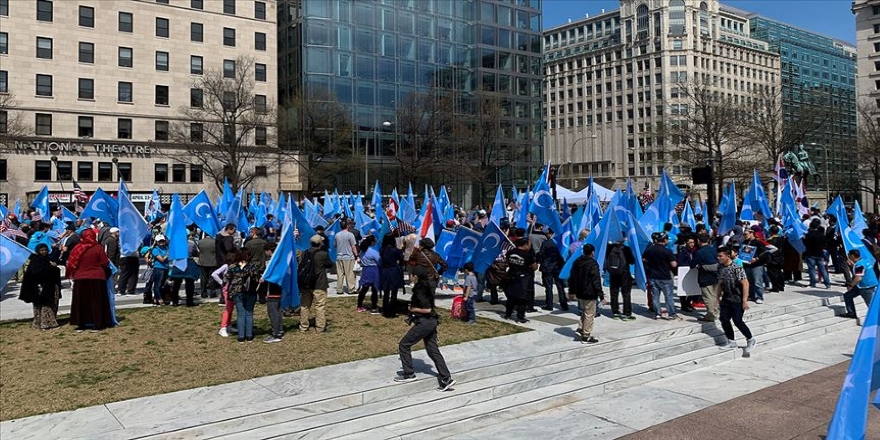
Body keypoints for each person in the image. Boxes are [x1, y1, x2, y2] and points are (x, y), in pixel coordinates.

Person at [393, 263, 456, 392]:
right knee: (433, 350)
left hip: (425, 322)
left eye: (410, 274)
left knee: (404, 345)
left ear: (415, 276)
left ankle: (409, 374)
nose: (409, 276)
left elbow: (427, 309)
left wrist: (412, 309)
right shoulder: (426, 285)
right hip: (432, 321)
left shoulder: (420, 289)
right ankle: (446, 378)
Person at [66, 229, 113, 331]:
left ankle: (81, 323)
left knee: (81, 302)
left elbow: (71, 263)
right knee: (96, 301)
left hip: (80, 278)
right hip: (96, 277)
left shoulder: (77, 248)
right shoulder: (98, 248)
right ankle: (98, 323)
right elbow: (104, 262)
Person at [716, 247, 757, 355]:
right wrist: (717, 297)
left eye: (720, 256)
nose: (718, 258)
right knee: (724, 318)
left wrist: (744, 300)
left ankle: (750, 339)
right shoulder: (720, 267)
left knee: (737, 320)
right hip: (726, 297)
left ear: (727, 256)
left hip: (737, 297)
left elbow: (745, 284)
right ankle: (731, 341)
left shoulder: (737, 268)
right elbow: (720, 284)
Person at [19, 243, 62, 330]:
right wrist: (52, 268)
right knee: (44, 306)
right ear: (38, 251)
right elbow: (37, 273)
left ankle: (43, 323)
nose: (44, 252)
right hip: (41, 287)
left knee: (50, 304)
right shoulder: (36, 260)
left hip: (50, 286)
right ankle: (47, 324)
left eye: (45, 250)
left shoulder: (47, 259)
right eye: (42, 250)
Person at [568, 243, 605, 343]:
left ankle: (581, 328)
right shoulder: (593, 264)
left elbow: (572, 277)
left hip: (580, 291)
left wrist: (571, 291)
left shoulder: (577, 261)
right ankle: (586, 335)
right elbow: (596, 281)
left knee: (585, 310)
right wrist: (601, 296)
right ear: (592, 252)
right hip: (589, 292)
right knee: (590, 314)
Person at [224, 250, 261, 343]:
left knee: (240, 314)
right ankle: (249, 336)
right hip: (250, 291)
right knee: (249, 313)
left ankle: (241, 337)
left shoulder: (233, 267)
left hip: (237, 292)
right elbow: (257, 279)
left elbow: (226, 278)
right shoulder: (253, 266)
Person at [643, 232, 681, 320]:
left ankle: (657, 313)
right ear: (665, 240)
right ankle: (671, 314)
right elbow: (674, 264)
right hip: (665, 277)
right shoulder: (667, 251)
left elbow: (644, 259)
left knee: (655, 296)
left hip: (653, 276)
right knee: (668, 296)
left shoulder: (650, 249)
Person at [301, 235, 334, 332]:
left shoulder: (305, 253)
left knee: (305, 306)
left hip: (306, 283)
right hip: (319, 284)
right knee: (319, 306)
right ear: (320, 243)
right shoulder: (323, 254)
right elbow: (330, 264)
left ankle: (303, 326)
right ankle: (320, 327)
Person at [503, 238, 534, 323]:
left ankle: (508, 314)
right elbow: (534, 267)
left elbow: (507, 262)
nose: (530, 247)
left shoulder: (510, 252)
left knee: (511, 297)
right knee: (522, 298)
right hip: (522, 278)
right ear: (525, 245)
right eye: (529, 245)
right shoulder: (528, 255)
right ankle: (520, 316)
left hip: (511, 275)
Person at [604, 236, 635, 320]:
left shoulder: (609, 248)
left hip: (613, 273)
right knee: (626, 293)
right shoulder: (626, 249)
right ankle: (626, 313)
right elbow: (632, 261)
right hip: (624, 273)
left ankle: (615, 312)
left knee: (614, 292)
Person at [537, 228, 568, 311]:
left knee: (548, 287)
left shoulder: (546, 243)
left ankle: (549, 305)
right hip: (557, 267)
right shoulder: (559, 243)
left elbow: (541, 254)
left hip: (547, 267)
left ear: (550, 234)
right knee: (560, 286)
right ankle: (564, 304)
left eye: (547, 233)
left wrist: (538, 258)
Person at [841, 249, 877, 319]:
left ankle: (875, 320)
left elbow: (858, 278)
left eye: (849, 255)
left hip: (866, 287)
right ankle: (851, 313)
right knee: (847, 295)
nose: (848, 257)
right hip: (867, 284)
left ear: (852, 256)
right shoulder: (865, 261)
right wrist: (853, 266)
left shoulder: (859, 265)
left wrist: (851, 285)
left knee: (870, 305)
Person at [692, 235, 720, 322]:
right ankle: (716, 312)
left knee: (708, 297)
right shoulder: (714, 250)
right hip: (716, 276)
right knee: (715, 296)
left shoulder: (699, 252)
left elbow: (692, 264)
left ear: (698, 241)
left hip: (705, 277)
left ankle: (710, 315)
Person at [168, 232, 200, 307]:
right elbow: (195, 252)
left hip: (178, 263)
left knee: (176, 284)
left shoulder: (175, 244)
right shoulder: (191, 243)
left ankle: (175, 301)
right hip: (188, 263)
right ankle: (189, 302)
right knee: (189, 283)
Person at [261, 242, 284, 343]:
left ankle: (276, 334)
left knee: (273, 313)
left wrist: (264, 279)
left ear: (269, 251)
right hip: (280, 289)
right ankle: (279, 330)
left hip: (272, 290)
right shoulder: (280, 260)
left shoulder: (272, 262)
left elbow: (272, 276)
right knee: (278, 312)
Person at [379, 235, 405, 318]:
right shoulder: (395, 250)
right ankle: (392, 311)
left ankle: (385, 310)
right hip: (394, 270)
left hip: (385, 270)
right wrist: (400, 250)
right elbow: (401, 259)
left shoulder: (382, 250)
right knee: (394, 292)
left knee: (386, 292)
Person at [741, 226, 769, 304]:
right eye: (744, 234)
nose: (745, 236)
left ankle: (759, 296)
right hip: (747, 265)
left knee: (757, 281)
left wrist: (756, 258)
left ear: (751, 233)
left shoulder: (758, 242)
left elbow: (764, 253)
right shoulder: (744, 242)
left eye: (746, 234)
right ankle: (751, 295)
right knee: (749, 282)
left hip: (757, 265)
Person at [356, 235, 381, 314]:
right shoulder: (373, 252)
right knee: (374, 290)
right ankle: (374, 307)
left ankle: (359, 306)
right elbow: (379, 261)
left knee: (364, 289)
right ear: (372, 242)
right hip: (374, 270)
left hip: (365, 270)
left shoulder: (362, 251)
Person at [803, 219, 830, 289]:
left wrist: (803, 239)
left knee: (812, 270)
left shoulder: (809, 235)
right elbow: (824, 243)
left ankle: (813, 283)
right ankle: (828, 284)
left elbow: (806, 243)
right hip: (819, 254)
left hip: (810, 254)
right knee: (823, 270)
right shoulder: (821, 235)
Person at [334, 222, 358, 294]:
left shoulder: (337, 235)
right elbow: (353, 246)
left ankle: (339, 289)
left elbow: (335, 245)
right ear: (347, 226)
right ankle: (351, 289)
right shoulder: (350, 235)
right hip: (348, 257)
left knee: (340, 274)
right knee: (350, 274)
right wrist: (356, 255)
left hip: (339, 257)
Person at [150, 235, 171, 306]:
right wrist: (167, 255)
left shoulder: (166, 248)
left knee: (163, 284)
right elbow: (161, 259)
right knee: (157, 284)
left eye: (162, 241)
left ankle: (158, 298)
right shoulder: (155, 250)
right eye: (160, 241)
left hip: (166, 267)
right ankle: (159, 298)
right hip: (158, 268)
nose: (161, 242)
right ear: (156, 242)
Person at [197, 233, 218, 298]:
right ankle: (212, 292)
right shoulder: (215, 242)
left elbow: (199, 251)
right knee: (212, 277)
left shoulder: (200, 242)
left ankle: (203, 292)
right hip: (212, 261)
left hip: (203, 262)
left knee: (203, 278)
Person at [765, 226, 786, 293]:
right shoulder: (781, 239)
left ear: (771, 231)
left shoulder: (770, 240)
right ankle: (781, 286)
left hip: (773, 259)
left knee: (773, 273)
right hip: (780, 258)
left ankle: (775, 287)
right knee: (779, 272)